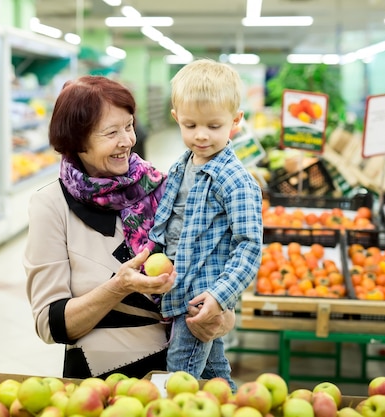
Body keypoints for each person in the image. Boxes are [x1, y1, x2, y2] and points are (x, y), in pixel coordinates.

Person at [23, 75, 237, 379]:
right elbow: (49, 324)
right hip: (105, 380)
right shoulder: (52, 205)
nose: (127, 141)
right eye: (111, 132)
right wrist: (118, 287)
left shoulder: (165, 187)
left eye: (129, 126)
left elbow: (213, 276)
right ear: (77, 141)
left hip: (183, 373)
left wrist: (222, 316)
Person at [148, 59, 263, 389]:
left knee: (179, 378)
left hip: (202, 297)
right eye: (190, 125)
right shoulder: (181, 166)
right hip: (179, 289)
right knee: (215, 376)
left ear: (235, 121)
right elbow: (170, 222)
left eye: (214, 126)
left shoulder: (237, 181)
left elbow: (249, 248)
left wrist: (219, 296)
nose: (201, 136)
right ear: (176, 119)